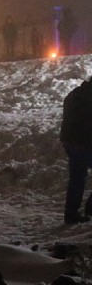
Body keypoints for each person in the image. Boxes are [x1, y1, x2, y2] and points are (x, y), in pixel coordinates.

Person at [61, 77, 92, 224]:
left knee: (77, 178)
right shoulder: (88, 97)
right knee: (78, 177)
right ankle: (90, 208)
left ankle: (71, 213)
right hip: (83, 142)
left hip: (70, 141)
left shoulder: (75, 93)